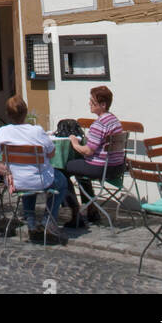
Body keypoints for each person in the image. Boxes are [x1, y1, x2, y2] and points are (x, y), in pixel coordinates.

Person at [0, 96, 69, 244]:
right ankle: (48, 219)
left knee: (26, 177)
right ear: (26, 113)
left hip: (16, 181)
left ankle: (30, 221)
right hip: (39, 180)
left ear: (8, 114)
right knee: (61, 180)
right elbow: (51, 153)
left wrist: (5, 171)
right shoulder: (37, 131)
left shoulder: (3, 132)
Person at [63, 85, 124, 227]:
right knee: (79, 168)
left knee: (63, 168)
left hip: (101, 168)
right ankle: (91, 209)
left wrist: (74, 143)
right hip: (116, 167)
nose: (89, 103)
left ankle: (74, 213)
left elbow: (89, 151)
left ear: (102, 105)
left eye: (93, 102)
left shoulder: (99, 124)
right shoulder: (114, 121)